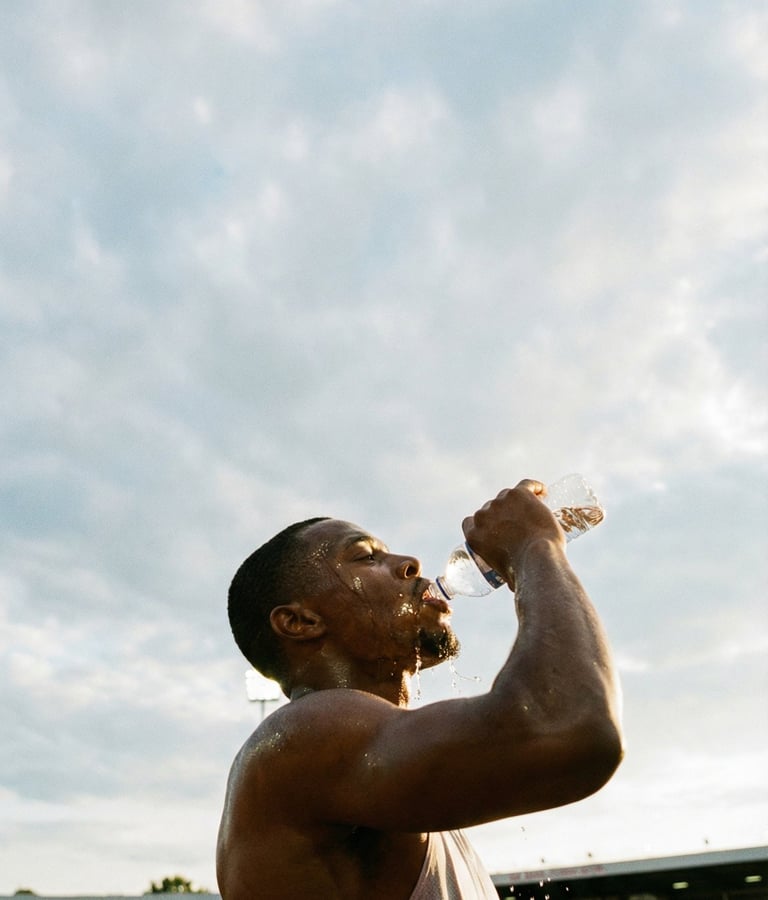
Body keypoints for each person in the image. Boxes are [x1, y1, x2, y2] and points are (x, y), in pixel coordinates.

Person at [217, 479, 624, 899]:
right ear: (300, 622)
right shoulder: (305, 737)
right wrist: (536, 547)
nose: (410, 562)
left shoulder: (379, 770)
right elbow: (569, 726)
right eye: (365, 557)